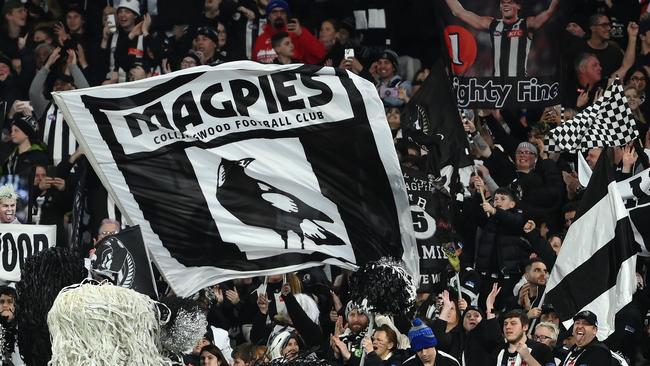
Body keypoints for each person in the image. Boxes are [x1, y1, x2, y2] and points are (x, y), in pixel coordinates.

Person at [443, 0, 559, 76]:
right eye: (503, 2)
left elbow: (550, 12)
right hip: (498, 87)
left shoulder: (526, 24)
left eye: (510, 2)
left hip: (520, 86)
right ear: (500, 6)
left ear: (518, 6)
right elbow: (459, 12)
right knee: (495, 114)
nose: (506, 4)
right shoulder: (492, 24)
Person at [251, 0, 324, 64]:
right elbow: (254, 65)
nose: (279, 15)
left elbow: (320, 55)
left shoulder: (297, 34)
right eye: (274, 12)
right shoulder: (260, 39)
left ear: (287, 15)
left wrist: (302, 34)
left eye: (282, 12)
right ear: (268, 16)